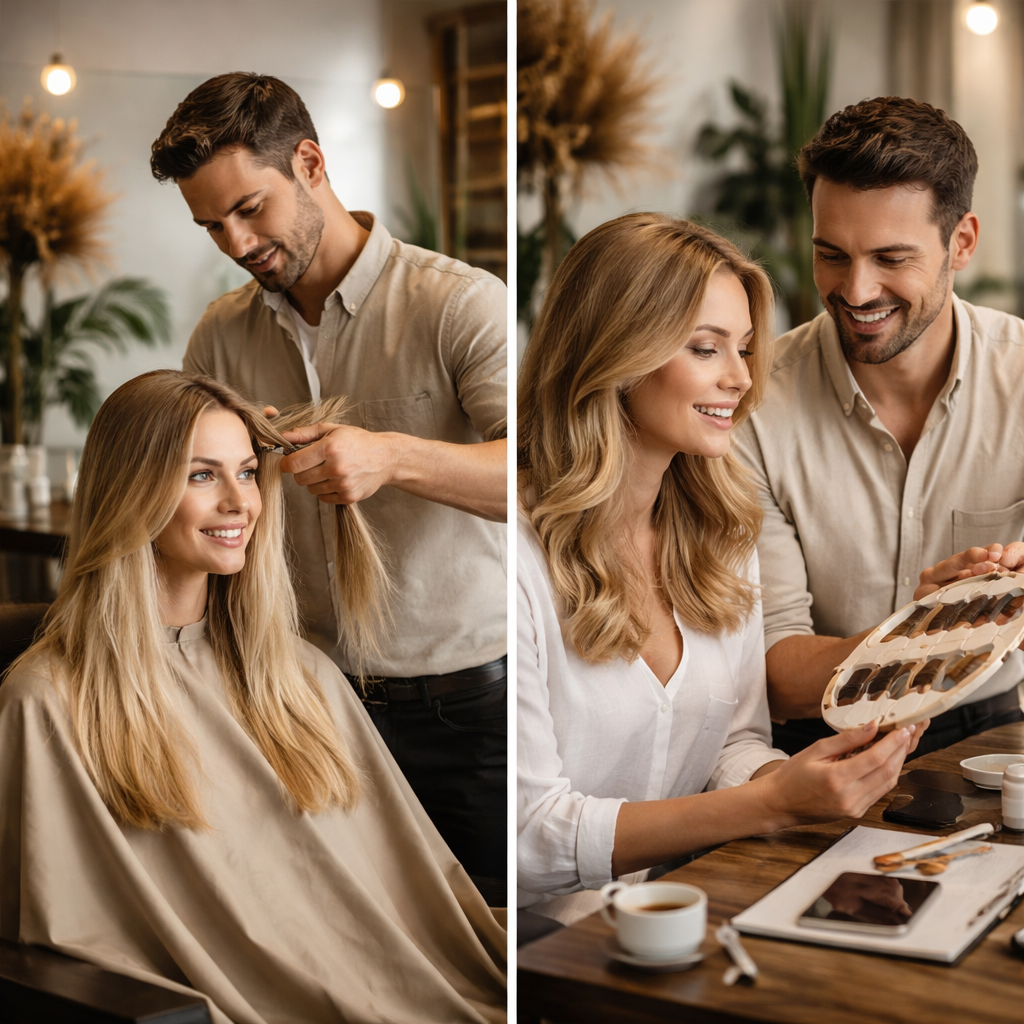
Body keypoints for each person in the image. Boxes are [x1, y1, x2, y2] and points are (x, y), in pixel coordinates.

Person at [0, 371, 506, 1024]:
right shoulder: (46, 703)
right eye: (202, 475)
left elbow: (410, 893)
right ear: (130, 492)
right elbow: (51, 936)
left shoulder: (301, 678)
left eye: (246, 472)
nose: (240, 503)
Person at [150, 74, 507, 902]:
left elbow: (547, 480)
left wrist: (393, 458)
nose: (236, 243)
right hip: (296, 704)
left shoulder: (459, 305)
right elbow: (193, 506)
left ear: (310, 162)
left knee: (496, 945)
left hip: (469, 718)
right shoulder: (218, 334)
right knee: (348, 937)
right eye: (211, 226)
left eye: (250, 209)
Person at [516, 213, 924, 925]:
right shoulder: (514, 552)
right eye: (706, 348)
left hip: (679, 913)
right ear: (615, 353)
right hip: (536, 943)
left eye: (742, 348)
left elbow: (730, 742)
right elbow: (529, 837)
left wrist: (803, 780)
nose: (739, 378)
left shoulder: (722, 531)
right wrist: (767, 804)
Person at [732, 97, 1024, 758]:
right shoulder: (753, 403)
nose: (856, 292)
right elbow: (775, 669)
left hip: (988, 729)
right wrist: (920, 632)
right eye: (832, 255)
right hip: (813, 738)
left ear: (963, 242)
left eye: (891, 258)